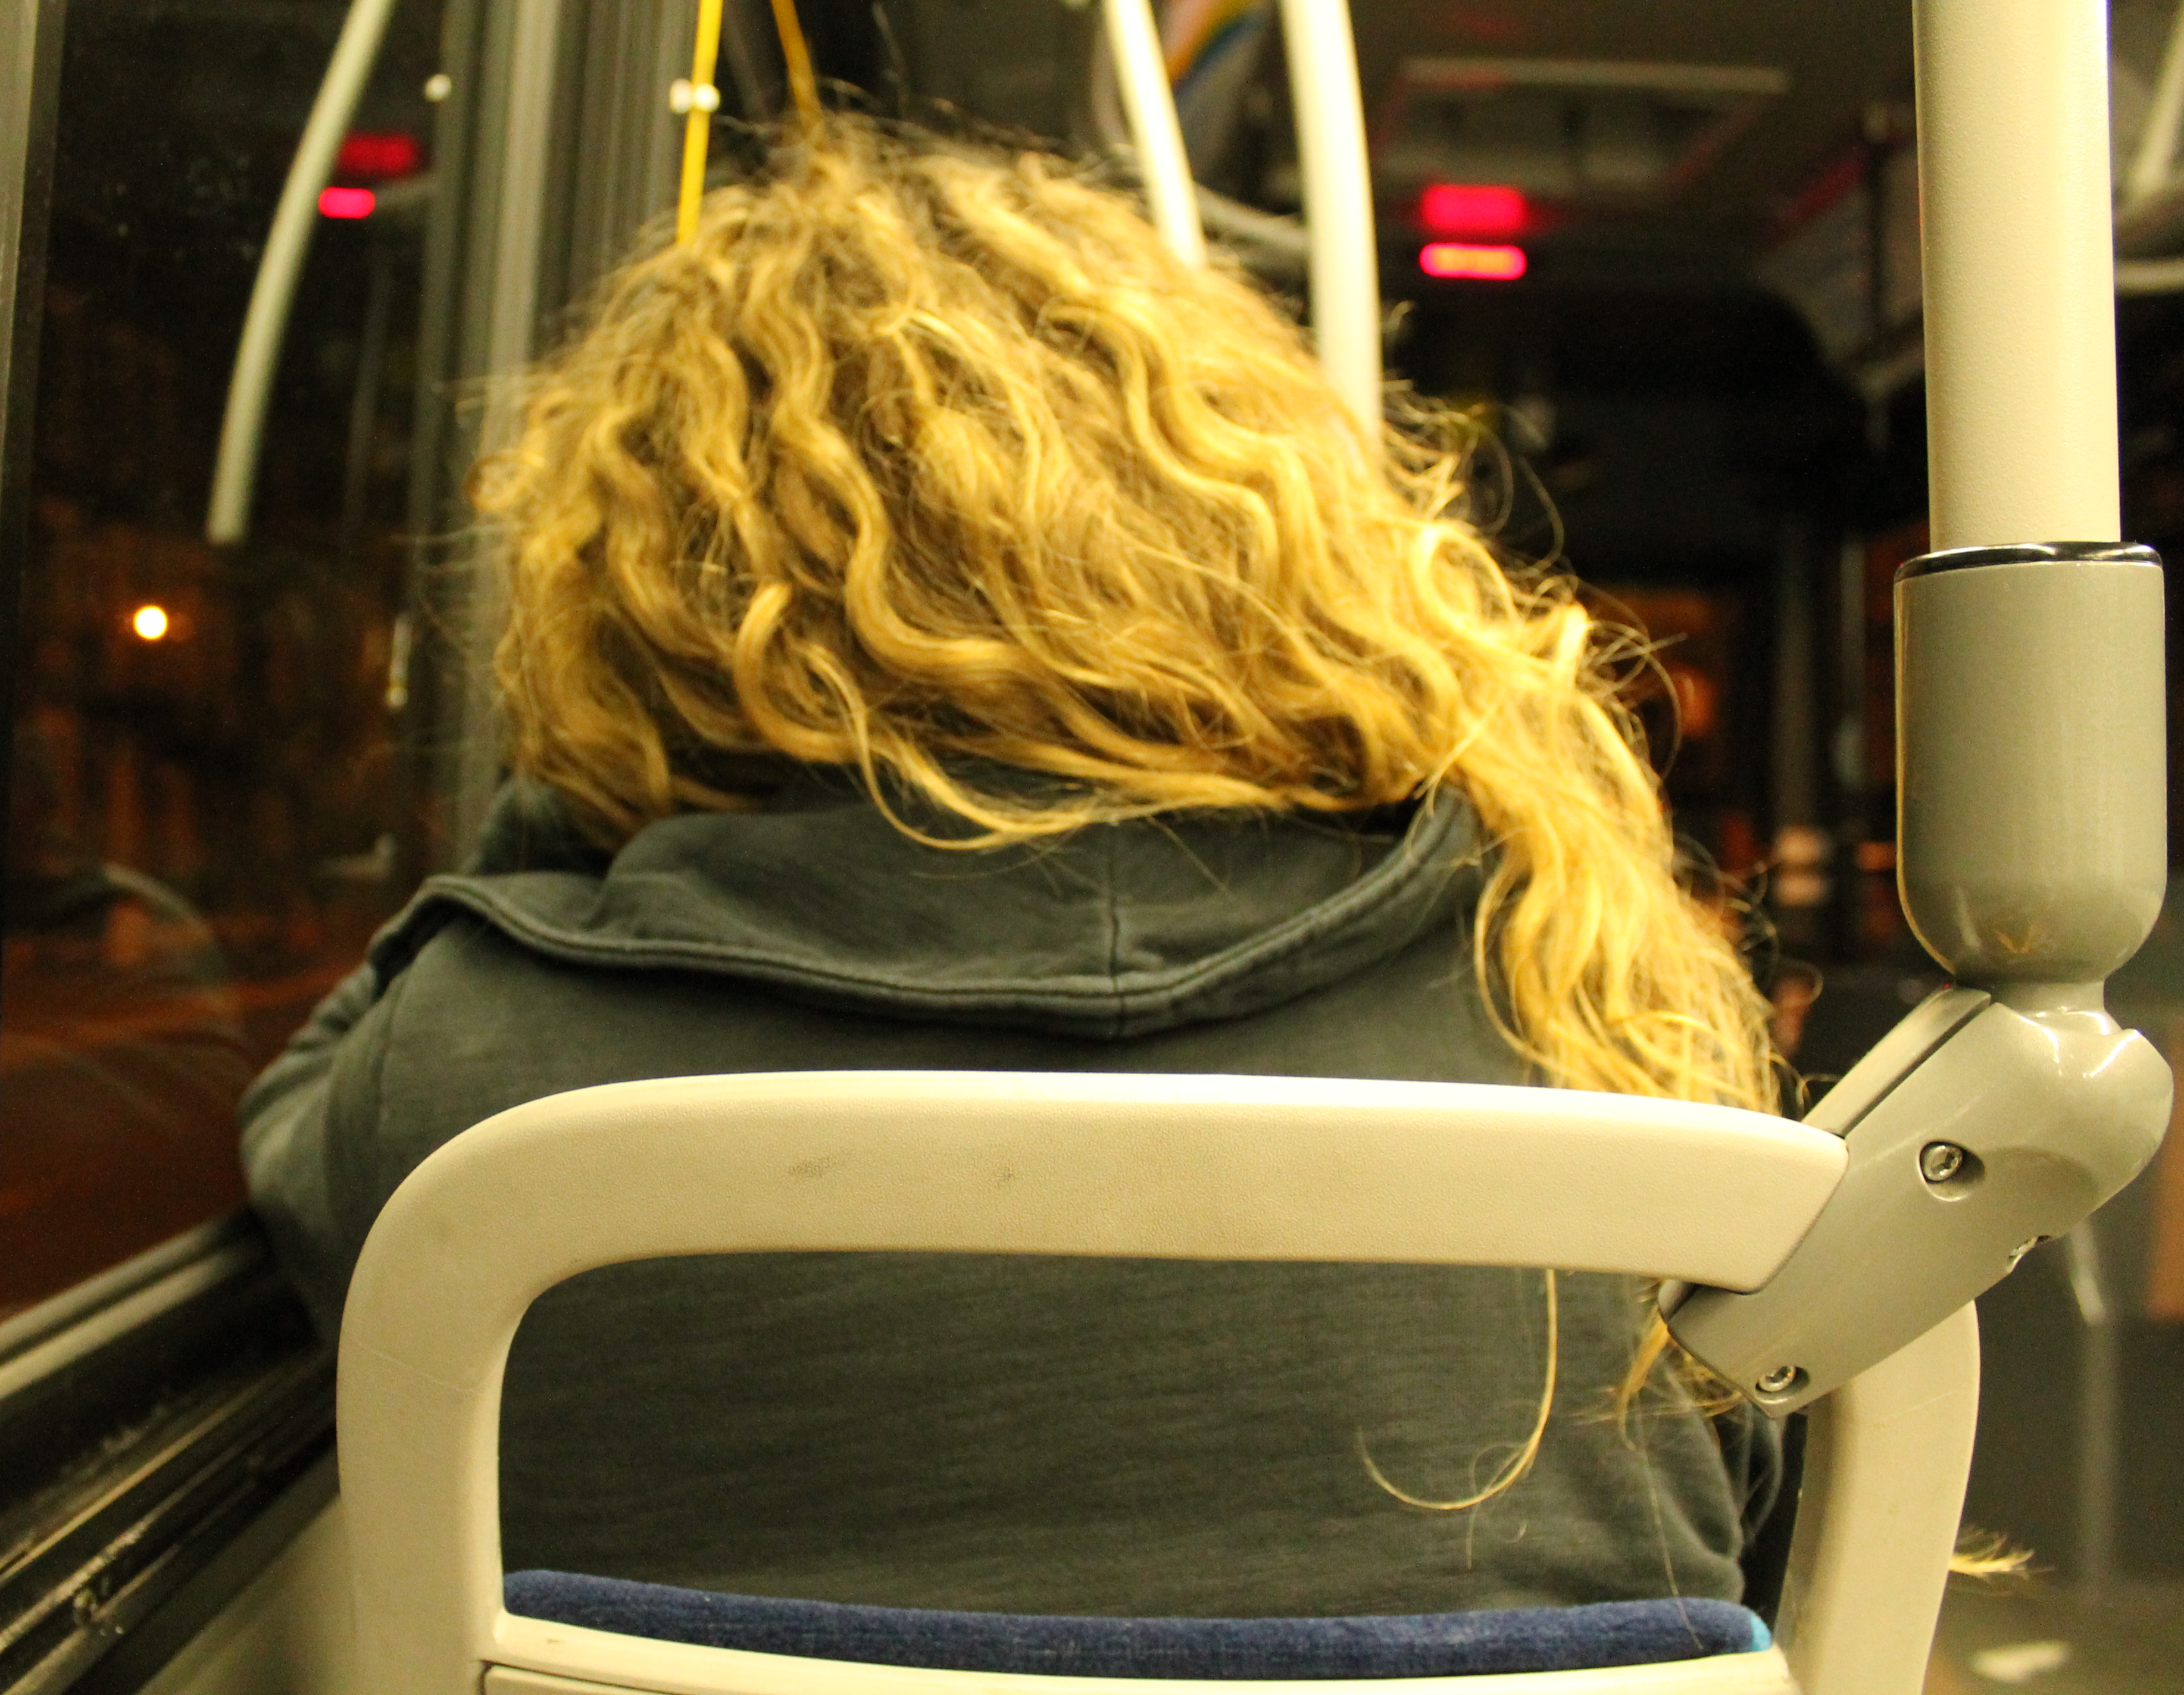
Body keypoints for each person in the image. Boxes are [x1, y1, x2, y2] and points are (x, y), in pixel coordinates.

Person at [240, 117, 1782, 1620]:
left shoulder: (472, 1081)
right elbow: (1747, 1477)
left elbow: (304, 1112)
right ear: (1248, 542)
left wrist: (585, 781)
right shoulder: (1571, 993)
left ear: (639, 600)